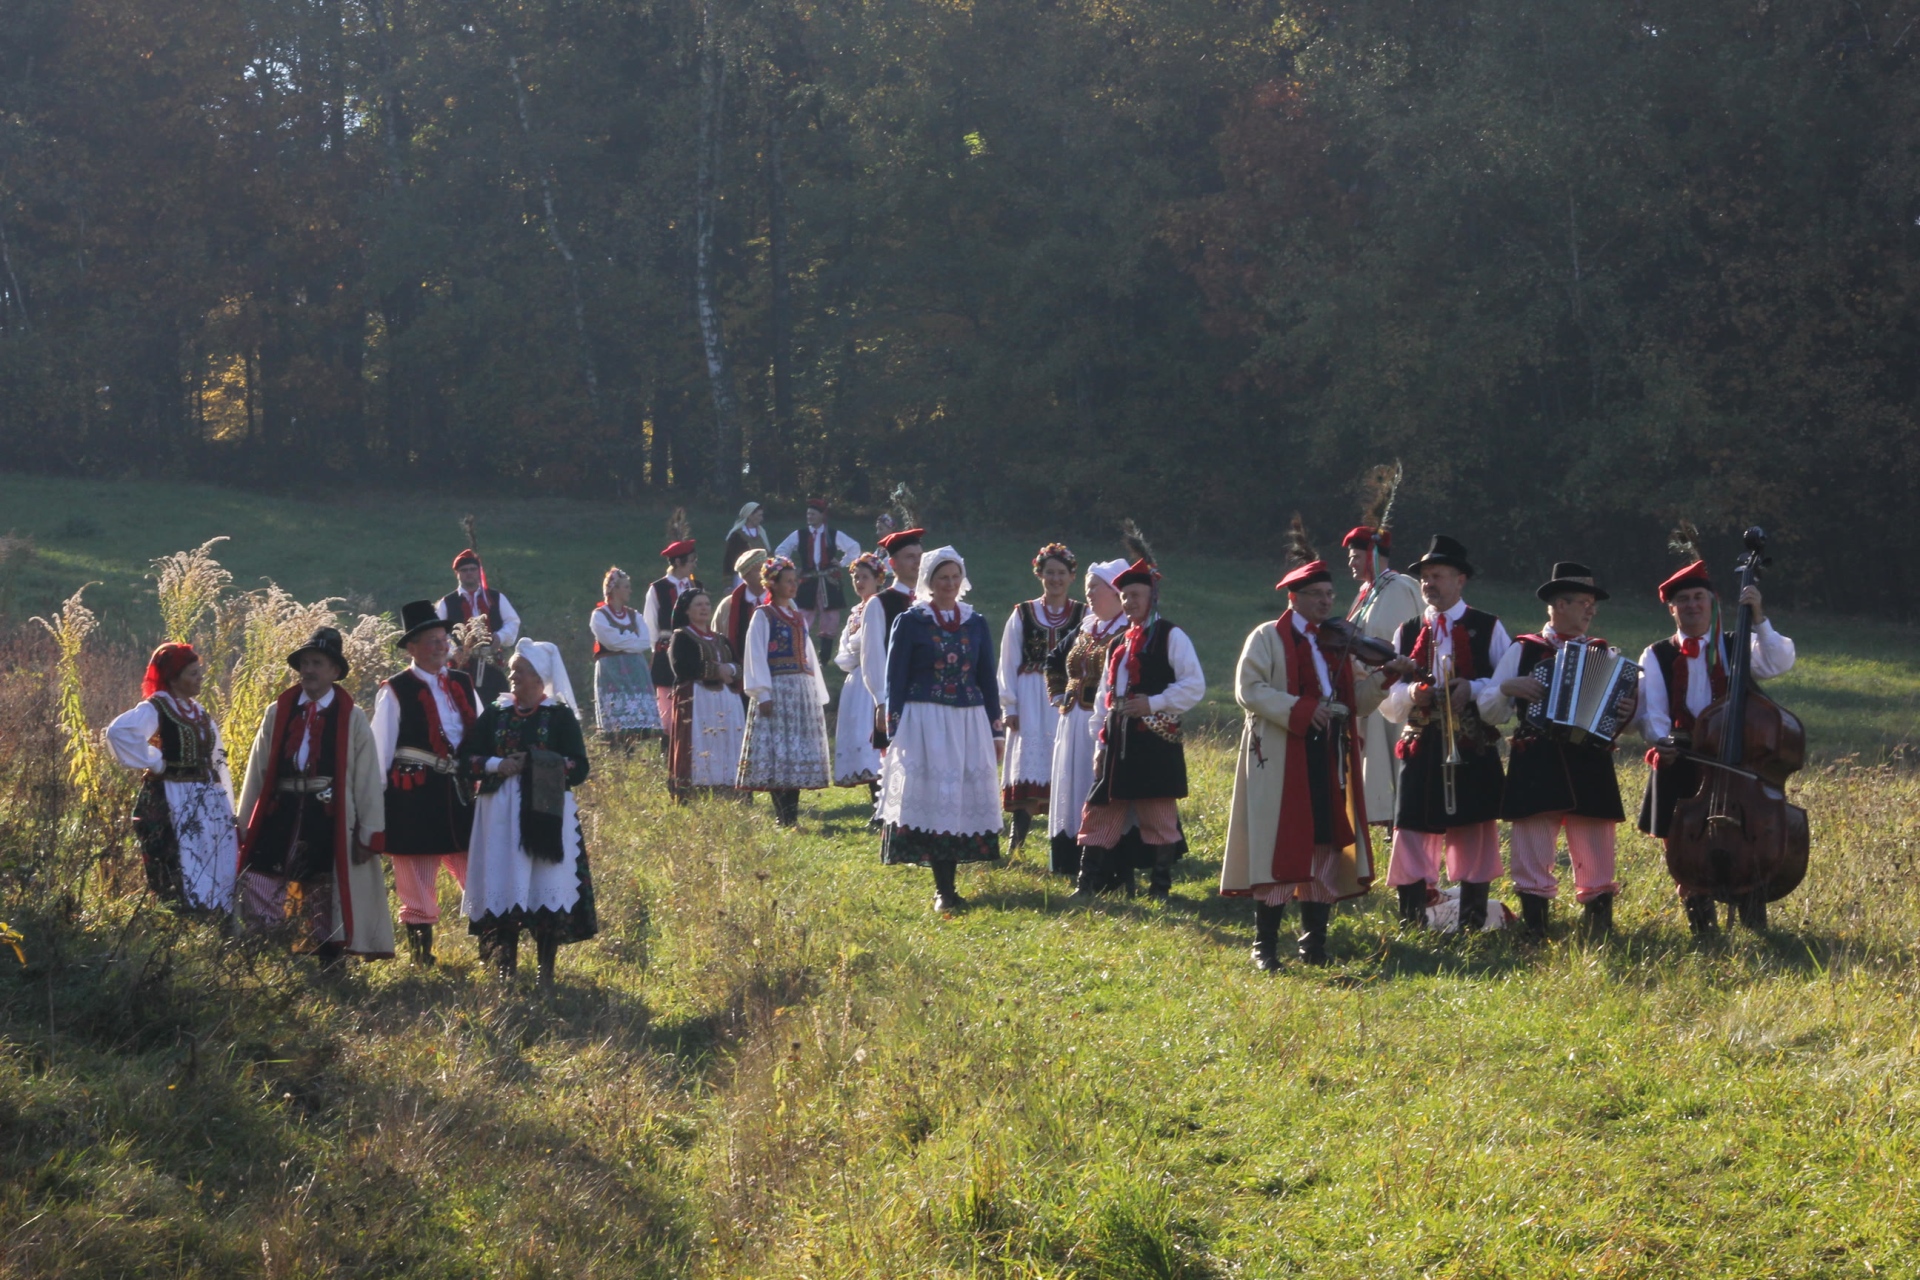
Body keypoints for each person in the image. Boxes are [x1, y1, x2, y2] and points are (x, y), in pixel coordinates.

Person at [1219, 529, 1388, 967]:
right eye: (1317, 594)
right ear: (1294, 597)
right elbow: (1249, 689)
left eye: (1330, 594)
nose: (1327, 602)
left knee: (1324, 842)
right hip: (1280, 756)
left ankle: (1314, 947)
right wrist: (1302, 709)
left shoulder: (1335, 644)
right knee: (1280, 843)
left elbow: (1358, 702)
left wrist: (1388, 676)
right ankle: (1264, 947)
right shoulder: (1266, 637)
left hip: (1327, 757)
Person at [1634, 552, 1796, 935]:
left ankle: (1754, 919)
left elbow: (1779, 662)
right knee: (1686, 848)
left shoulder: (1736, 644)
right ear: (1672, 609)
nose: (1692, 605)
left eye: (1698, 597)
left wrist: (1759, 617)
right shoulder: (1656, 654)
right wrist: (1663, 741)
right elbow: (1653, 713)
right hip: (1684, 759)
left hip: (1737, 762)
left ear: (1713, 602)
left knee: (1747, 842)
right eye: (1683, 600)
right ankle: (1703, 929)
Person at [1481, 562, 1639, 938]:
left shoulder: (1601, 652)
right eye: (1584, 603)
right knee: (1532, 842)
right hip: (1537, 757)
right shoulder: (1524, 649)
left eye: (1593, 605)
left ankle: (1599, 925)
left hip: (1590, 759)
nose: (1591, 611)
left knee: (1596, 842)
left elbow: (1629, 719)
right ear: (1559, 605)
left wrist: (1627, 711)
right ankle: (1536, 927)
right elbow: (1489, 708)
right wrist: (1507, 688)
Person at [234, 627, 393, 966]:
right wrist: (244, 820)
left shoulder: (351, 717)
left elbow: (366, 779)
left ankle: (327, 959)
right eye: (305, 663)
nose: (308, 670)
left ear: (335, 671)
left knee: (321, 884)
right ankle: (272, 946)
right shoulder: (279, 711)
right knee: (260, 874)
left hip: (327, 814)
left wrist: (370, 832)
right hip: (281, 810)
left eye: (317, 663)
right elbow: (258, 768)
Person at [1377, 535, 1512, 930]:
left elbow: (1505, 686)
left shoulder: (1488, 627)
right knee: (1412, 828)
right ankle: (1413, 919)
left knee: (1474, 827)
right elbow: (1388, 693)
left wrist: (1473, 688)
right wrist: (1413, 694)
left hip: (1470, 741)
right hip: (1422, 742)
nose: (1428, 583)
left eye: (1437, 575)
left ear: (1460, 579)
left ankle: (1471, 919)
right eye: (1425, 577)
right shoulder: (1408, 630)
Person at [458, 640, 596, 993]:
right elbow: (467, 759)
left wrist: (536, 762)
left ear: (538, 676)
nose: (513, 676)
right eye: (513, 670)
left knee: (544, 887)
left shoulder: (559, 715)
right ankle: (505, 971)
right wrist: (497, 764)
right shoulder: (496, 713)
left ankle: (544, 973)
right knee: (503, 885)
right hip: (498, 815)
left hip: (546, 814)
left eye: (519, 670)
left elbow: (579, 767)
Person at [877, 546, 1004, 911]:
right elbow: (895, 677)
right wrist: (894, 728)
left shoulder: (975, 623)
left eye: (954, 577)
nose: (949, 584)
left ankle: (950, 885)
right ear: (929, 582)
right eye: (942, 578)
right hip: (924, 720)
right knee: (935, 798)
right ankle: (943, 890)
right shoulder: (911, 621)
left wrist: (996, 729)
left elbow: (987, 677)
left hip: (968, 721)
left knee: (958, 799)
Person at [1076, 547, 1205, 903]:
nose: (1129, 602)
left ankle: (1160, 889)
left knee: (1158, 812)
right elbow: (1104, 696)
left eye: (1136, 595)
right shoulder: (1118, 643)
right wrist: (1099, 744)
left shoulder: (1171, 636)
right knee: (1100, 810)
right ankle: (1085, 886)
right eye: (1124, 596)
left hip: (1154, 740)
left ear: (1151, 597)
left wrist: (1154, 702)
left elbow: (1194, 685)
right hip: (1118, 738)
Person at [371, 601, 480, 966]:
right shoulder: (395, 690)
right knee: (416, 877)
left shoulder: (462, 683)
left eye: (443, 639)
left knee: (478, 870)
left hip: (459, 793)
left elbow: (482, 734)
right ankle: (422, 958)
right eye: (431, 640)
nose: (440, 646)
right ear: (412, 648)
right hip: (413, 796)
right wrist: (376, 807)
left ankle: (492, 949)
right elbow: (379, 753)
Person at [106, 643, 240, 915]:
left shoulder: (198, 712)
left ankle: (214, 921)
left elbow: (217, 759)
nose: (200, 678)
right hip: (172, 799)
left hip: (207, 804)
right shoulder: (157, 708)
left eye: (199, 672)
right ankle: (185, 921)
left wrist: (228, 806)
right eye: (193, 673)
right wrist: (156, 762)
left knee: (214, 864)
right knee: (178, 864)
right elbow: (118, 732)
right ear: (173, 678)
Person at [1042, 557, 1129, 878]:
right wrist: (1058, 693)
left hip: (1101, 724)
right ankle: (1068, 859)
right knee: (1071, 784)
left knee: (1093, 785)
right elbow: (1053, 660)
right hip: (1071, 722)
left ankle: (1099, 860)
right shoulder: (1086, 627)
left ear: (1115, 591)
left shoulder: (1126, 631)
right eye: (1087, 587)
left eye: (1095, 587)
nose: (1088, 594)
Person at [998, 543, 1085, 855]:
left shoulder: (1084, 615)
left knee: (1066, 765)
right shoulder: (1023, 613)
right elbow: (1007, 661)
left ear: (1072, 576)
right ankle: (1016, 842)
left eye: (1061, 573)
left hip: (1067, 700)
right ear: (1039, 574)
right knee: (1027, 767)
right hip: (1030, 701)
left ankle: (1067, 842)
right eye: (1050, 572)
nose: (1055, 579)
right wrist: (1009, 705)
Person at [737, 556, 833, 826]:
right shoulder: (763, 615)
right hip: (777, 689)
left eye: (795, 581)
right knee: (779, 753)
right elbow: (756, 654)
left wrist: (815, 691)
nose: (793, 586)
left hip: (799, 691)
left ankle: (791, 816)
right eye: (788, 581)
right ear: (773, 584)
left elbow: (808, 655)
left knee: (795, 753)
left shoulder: (798, 617)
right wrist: (762, 693)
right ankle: (782, 817)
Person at [1342, 521, 1424, 831]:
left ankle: (1402, 821)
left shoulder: (1398, 587)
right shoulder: (1366, 592)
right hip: (1369, 689)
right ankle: (1390, 821)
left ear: (1373, 555)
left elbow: (1398, 642)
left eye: (1355, 556)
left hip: (1392, 690)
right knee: (1374, 759)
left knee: (1394, 757)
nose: (1351, 563)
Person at [668, 588, 749, 797]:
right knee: (700, 743)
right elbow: (682, 667)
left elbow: (738, 665)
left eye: (707, 604)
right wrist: (716, 671)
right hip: (698, 702)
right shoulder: (682, 637)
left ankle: (730, 789)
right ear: (687, 610)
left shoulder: (720, 639)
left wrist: (729, 669)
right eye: (698, 604)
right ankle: (698, 791)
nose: (704, 608)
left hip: (726, 702)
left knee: (726, 742)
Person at [860, 526, 928, 748]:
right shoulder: (880, 603)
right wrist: (881, 701)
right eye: (910, 557)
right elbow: (873, 655)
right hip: (897, 695)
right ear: (893, 563)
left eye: (920, 556)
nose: (917, 562)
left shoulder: (932, 600)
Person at [776, 499, 863, 663]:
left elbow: (854, 548)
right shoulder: (800, 534)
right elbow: (781, 550)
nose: (809, 516)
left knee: (830, 618)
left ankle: (824, 658)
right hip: (808, 580)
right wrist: (791, 568)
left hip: (828, 580)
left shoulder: (832, 534)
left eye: (813, 514)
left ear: (822, 516)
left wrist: (842, 562)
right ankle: (800, 654)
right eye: (808, 514)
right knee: (803, 614)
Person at [832, 552, 890, 792]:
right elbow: (845, 650)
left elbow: (872, 644)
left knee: (873, 739)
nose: (859, 582)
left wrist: (860, 649)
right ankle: (873, 794)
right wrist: (856, 651)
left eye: (865, 577)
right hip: (856, 680)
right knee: (858, 736)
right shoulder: (855, 612)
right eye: (856, 577)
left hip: (875, 678)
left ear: (878, 579)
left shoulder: (882, 606)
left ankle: (882, 796)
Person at [589, 567, 664, 744]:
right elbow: (610, 642)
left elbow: (644, 642)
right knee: (616, 722)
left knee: (636, 722)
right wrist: (631, 640)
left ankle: (631, 750)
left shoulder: (634, 615)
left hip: (635, 670)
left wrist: (623, 640)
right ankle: (617, 749)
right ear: (614, 589)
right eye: (626, 587)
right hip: (611, 671)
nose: (630, 590)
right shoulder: (599, 615)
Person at [438, 548, 519, 703]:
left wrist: (500, 637)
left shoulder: (495, 597)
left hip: (491, 665)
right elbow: (439, 633)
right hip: (461, 667)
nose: (469, 573)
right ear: (457, 573)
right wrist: (454, 651)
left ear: (479, 571)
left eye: (473, 569)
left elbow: (512, 622)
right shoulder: (447, 602)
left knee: (498, 703)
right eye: (464, 570)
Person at [645, 521, 701, 737]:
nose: (694, 565)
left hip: (694, 650)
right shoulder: (658, 589)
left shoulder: (695, 587)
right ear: (678, 562)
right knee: (667, 704)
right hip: (667, 651)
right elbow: (650, 624)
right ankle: (667, 742)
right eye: (691, 561)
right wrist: (658, 652)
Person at [712, 547, 769, 679]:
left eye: (766, 569)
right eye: (759, 570)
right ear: (746, 575)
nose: (764, 573)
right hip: (739, 675)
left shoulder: (780, 601)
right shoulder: (728, 606)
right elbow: (716, 640)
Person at [721, 502, 771, 592]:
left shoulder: (761, 533)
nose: (761, 519)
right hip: (743, 577)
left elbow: (768, 554)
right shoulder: (737, 536)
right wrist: (728, 584)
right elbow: (729, 559)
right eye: (759, 515)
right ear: (750, 516)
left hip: (761, 576)